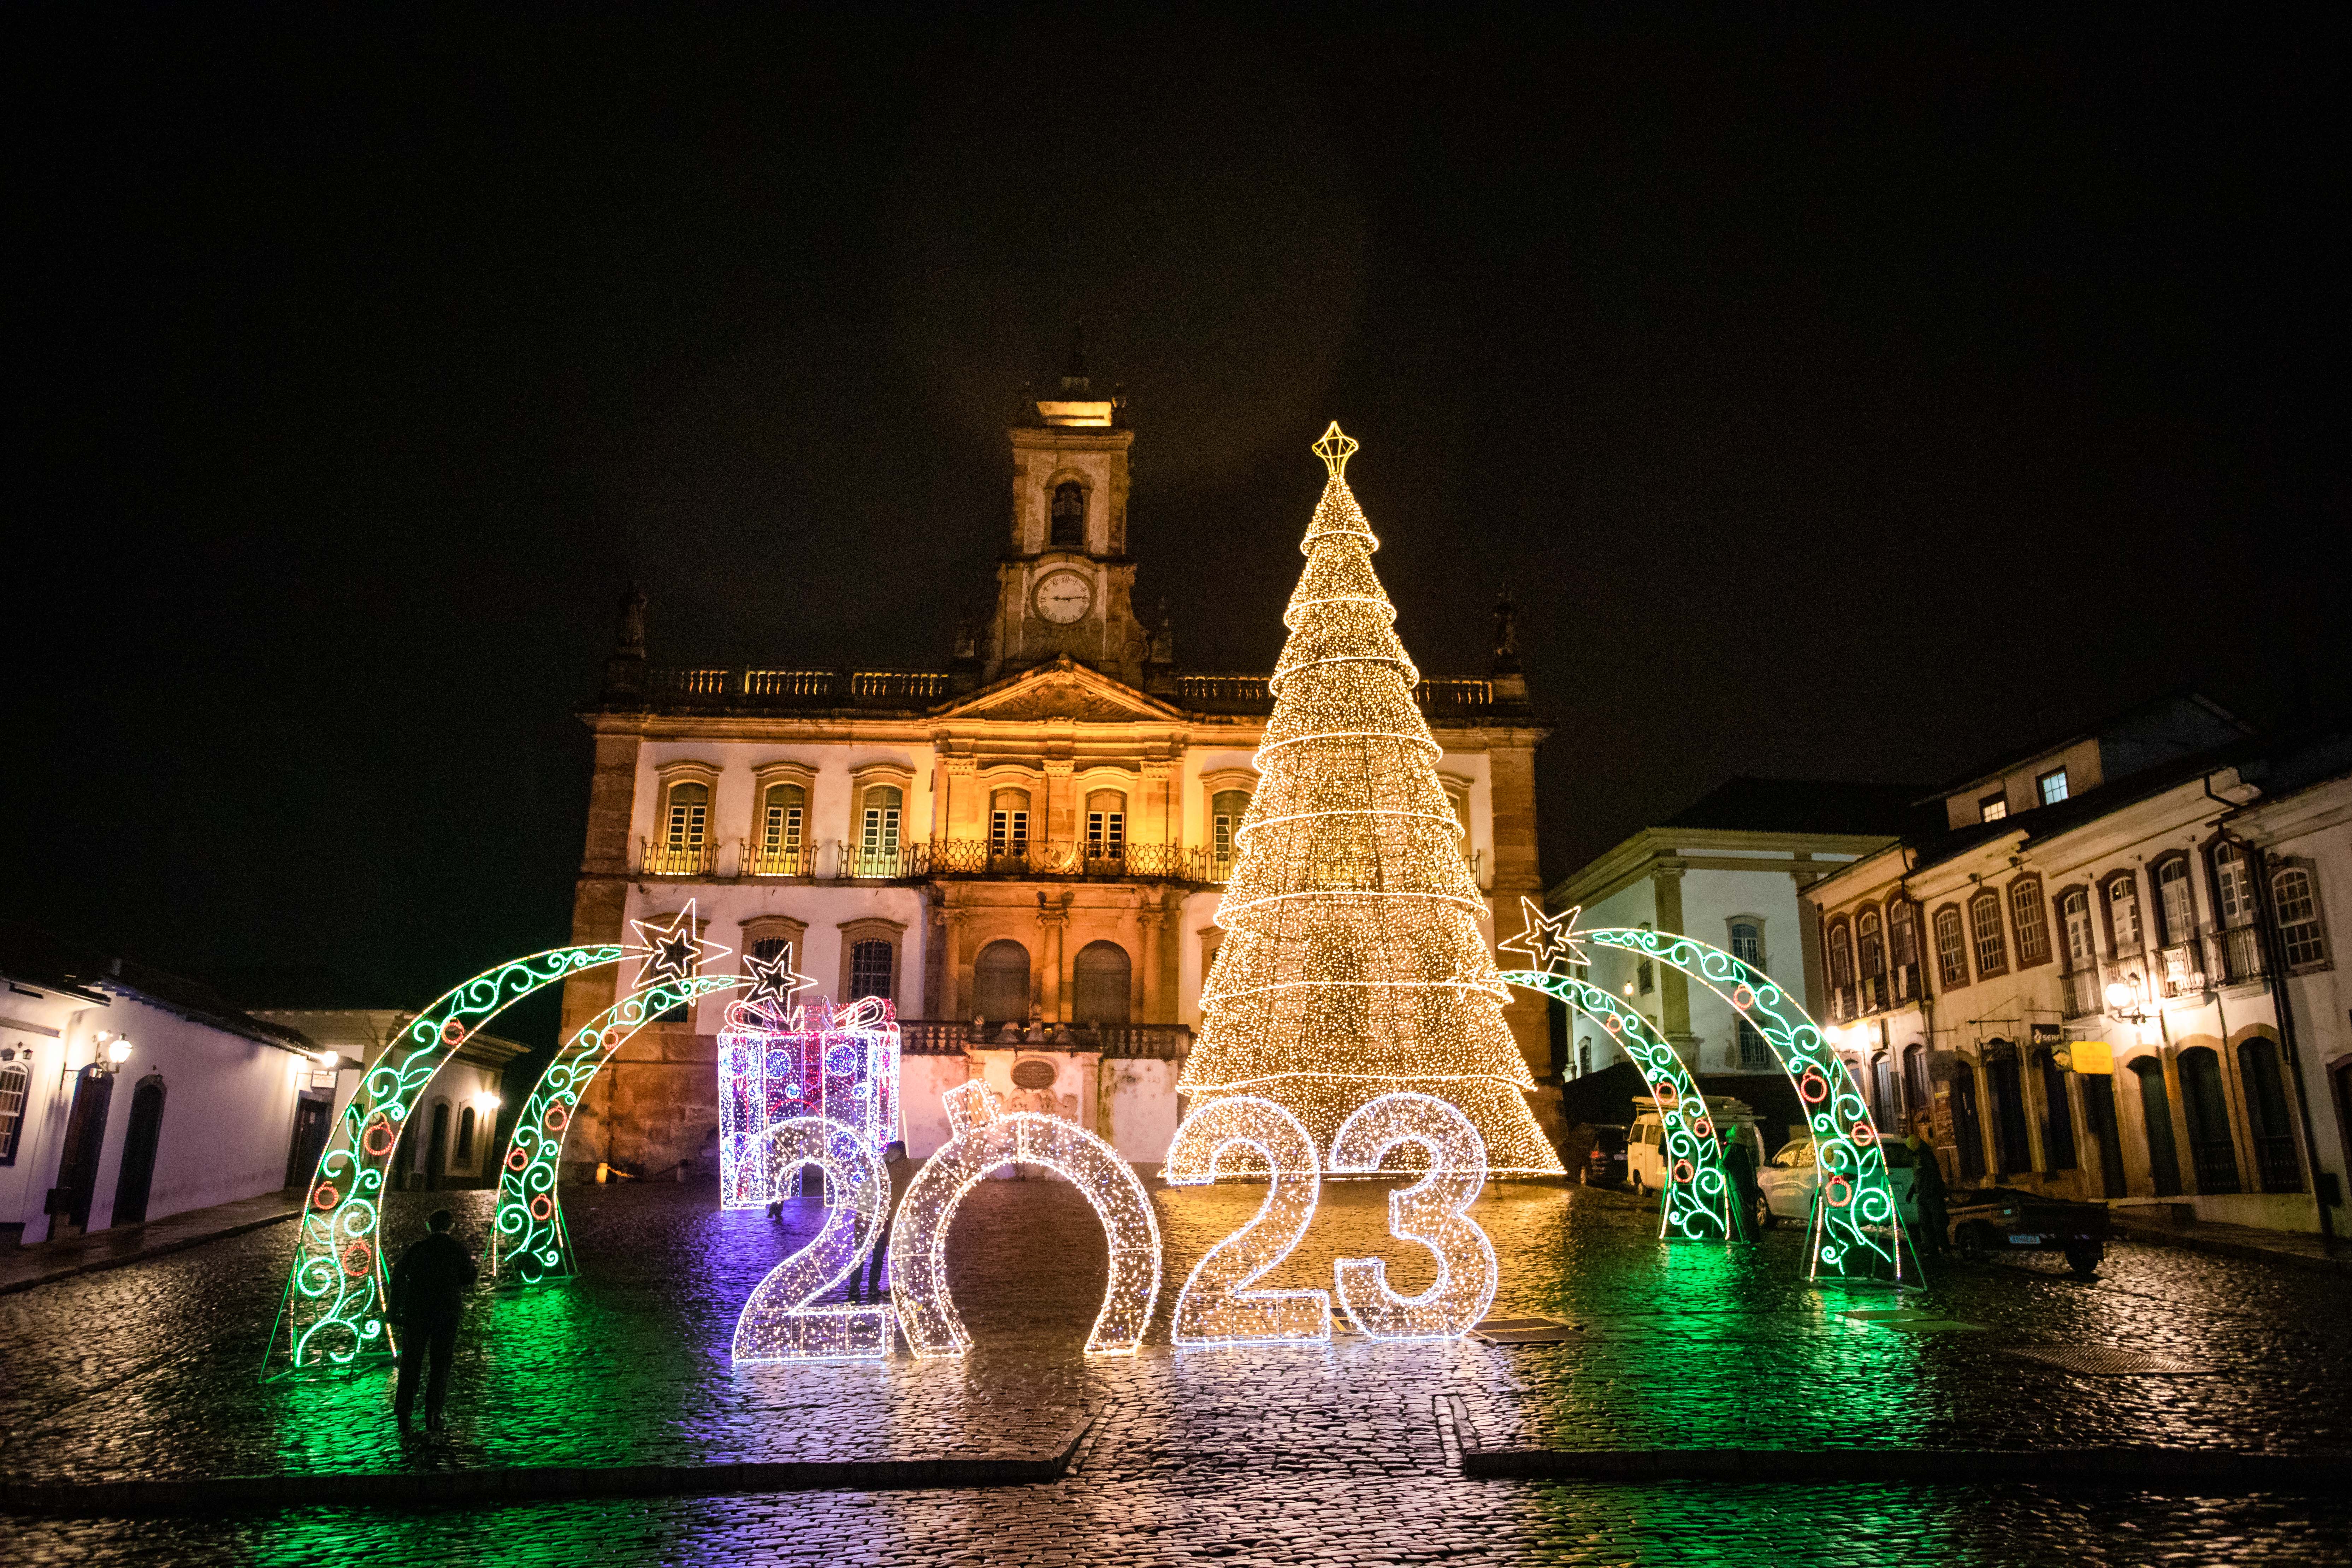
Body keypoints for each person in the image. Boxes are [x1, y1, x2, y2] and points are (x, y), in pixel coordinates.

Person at [389, 1208, 477, 1435]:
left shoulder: (418, 1249)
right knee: (441, 1362)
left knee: (411, 1362)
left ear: (429, 1226)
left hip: (417, 1313)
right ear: (451, 1227)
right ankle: (433, 1412)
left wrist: (394, 1308)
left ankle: (404, 1412)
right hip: (446, 1314)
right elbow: (469, 1278)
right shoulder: (457, 1249)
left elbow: (398, 1276)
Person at [850, 1141, 912, 1303]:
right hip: (871, 1221)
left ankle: (865, 1288)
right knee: (868, 1256)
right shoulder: (879, 1177)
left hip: (874, 1222)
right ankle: (862, 1288)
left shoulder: (890, 1173)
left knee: (872, 1256)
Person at [1907, 1125, 1951, 1259]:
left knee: (1938, 1223)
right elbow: (1919, 1177)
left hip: (1932, 1195)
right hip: (1924, 1196)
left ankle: (1943, 1247)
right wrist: (1912, 1191)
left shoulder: (1926, 1156)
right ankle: (1931, 1248)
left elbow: (1934, 1174)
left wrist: (1936, 1191)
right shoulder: (1917, 1157)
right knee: (1926, 1223)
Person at [1722, 1128, 1761, 1241]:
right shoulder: (1745, 1150)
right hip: (1747, 1184)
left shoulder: (1732, 1149)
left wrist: (1719, 1162)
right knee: (1749, 1211)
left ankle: (1748, 1237)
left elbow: (1725, 1166)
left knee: (1743, 1213)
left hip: (1738, 1185)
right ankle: (1754, 1236)